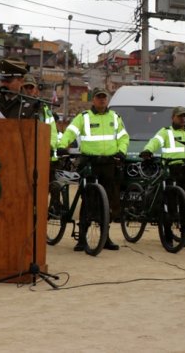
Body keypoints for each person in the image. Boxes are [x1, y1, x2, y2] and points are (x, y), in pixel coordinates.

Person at [58, 87, 128, 252]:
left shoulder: (115, 117)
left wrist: (121, 151)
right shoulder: (84, 117)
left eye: (104, 97)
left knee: (108, 201)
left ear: (107, 100)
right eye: (99, 97)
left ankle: (105, 237)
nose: (102, 100)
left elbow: (124, 136)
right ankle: (82, 239)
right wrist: (62, 146)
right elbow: (70, 132)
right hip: (90, 163)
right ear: (93, 100)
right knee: (88, 200)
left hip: (109, 163)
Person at [140, 106, 185, 248]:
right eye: (179, 116)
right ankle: (167, 235)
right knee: (169, 205)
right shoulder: (166, 132)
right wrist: (147, 150)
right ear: (173, 118)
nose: (182, 119)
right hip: (171, 170)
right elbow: (154, 142)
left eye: (184, 116)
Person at [21, 74, 59, 175]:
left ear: (35, 89)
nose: (28, 90)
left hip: (38, 153)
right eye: (26, 87)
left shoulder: (43, 108)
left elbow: (52, 131)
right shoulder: (16, 106)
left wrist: (50, 148)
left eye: (31, 87)